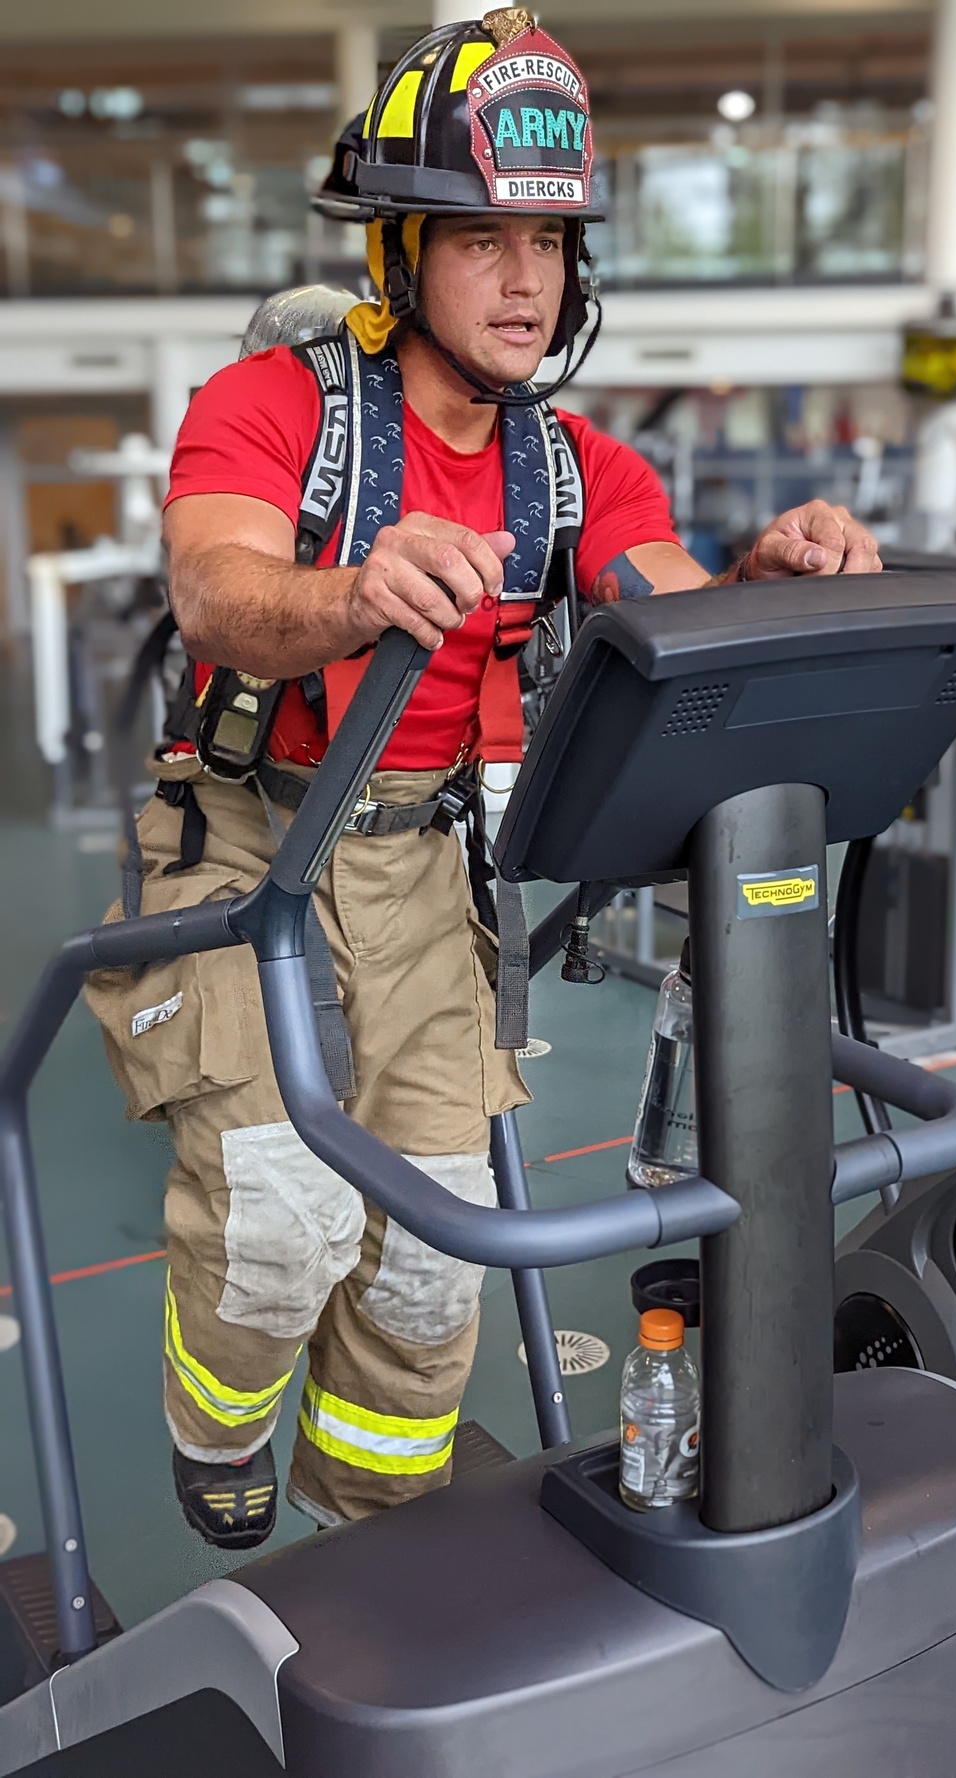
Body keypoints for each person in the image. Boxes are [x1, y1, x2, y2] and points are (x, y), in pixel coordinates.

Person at [86, 6, 881, 1550]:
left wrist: (769, 577)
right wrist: (352, 589)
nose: (528, 280)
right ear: (397, 250)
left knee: (430, 1265)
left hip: (430, 871)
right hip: (248, 845)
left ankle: (377, 1506)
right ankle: (219, 1418)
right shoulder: (277, 410)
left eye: (552, 242)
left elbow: (673, 601)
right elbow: (217, 591)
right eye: (481, 239)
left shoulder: (574, 466)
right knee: (280, 1215)